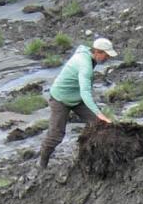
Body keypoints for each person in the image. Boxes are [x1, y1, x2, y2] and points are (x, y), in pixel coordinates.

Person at [39, 36, 117, 168]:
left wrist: (99, 118)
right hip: (60, 99)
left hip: (76, 98)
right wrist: (100, 114)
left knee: (99, 125)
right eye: (106, 55)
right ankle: (42, 165)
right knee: (55, 135)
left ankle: (91, 157)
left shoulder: (88, 54)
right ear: (97, 51)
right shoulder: (85, 64)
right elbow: (85, 93)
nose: (108, 58)